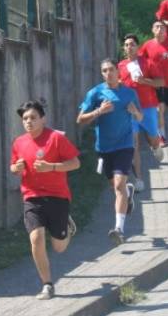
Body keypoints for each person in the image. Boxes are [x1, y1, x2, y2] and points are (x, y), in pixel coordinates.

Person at [10, 100, 81, 300]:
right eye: (25, 119)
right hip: (32, 196)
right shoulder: (19, 142)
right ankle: (47, 284)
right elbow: (13, 167)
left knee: (59, 247)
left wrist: (52, 167)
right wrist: (17, 168)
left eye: (33, 117)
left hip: (57, 196)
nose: (28, 122)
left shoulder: (55, 138)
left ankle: (67, 226)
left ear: (43, 119)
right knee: (36, 237)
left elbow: (75, 163)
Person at [77, 59, 143, 245]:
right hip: (104, 148)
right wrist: (99, 111)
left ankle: (119, 229)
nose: (108, 74)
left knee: (119, 184)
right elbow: (80, 119)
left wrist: (134, 113)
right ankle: (128, 195)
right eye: (104, 71)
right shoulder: (95, 93)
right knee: (115, 187)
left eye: (111, 70)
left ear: (118, 71)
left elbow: (140, 116)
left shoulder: (129, 93)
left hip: (124, 145)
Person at [118, 33, 165, 192]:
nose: (129, 47)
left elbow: (161, 82)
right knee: (133, 145)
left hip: (148, 108)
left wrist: (144, 81)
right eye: (126, 45)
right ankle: (138, 179)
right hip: (130, 110)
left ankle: (157, 147)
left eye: (132, 44)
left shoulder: (148, 63)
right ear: (124, 49)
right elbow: (117, 85)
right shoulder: (121, 66)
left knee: (153, 139)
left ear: (137, 47)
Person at [138, 21, 168, 146]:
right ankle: (162, 137)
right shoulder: (147, 45)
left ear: (166, 31)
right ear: (152, 30)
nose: (160, 29)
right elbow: (140, 60)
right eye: (157, 27)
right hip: (157, 83)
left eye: (162, 27)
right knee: (159, 109)